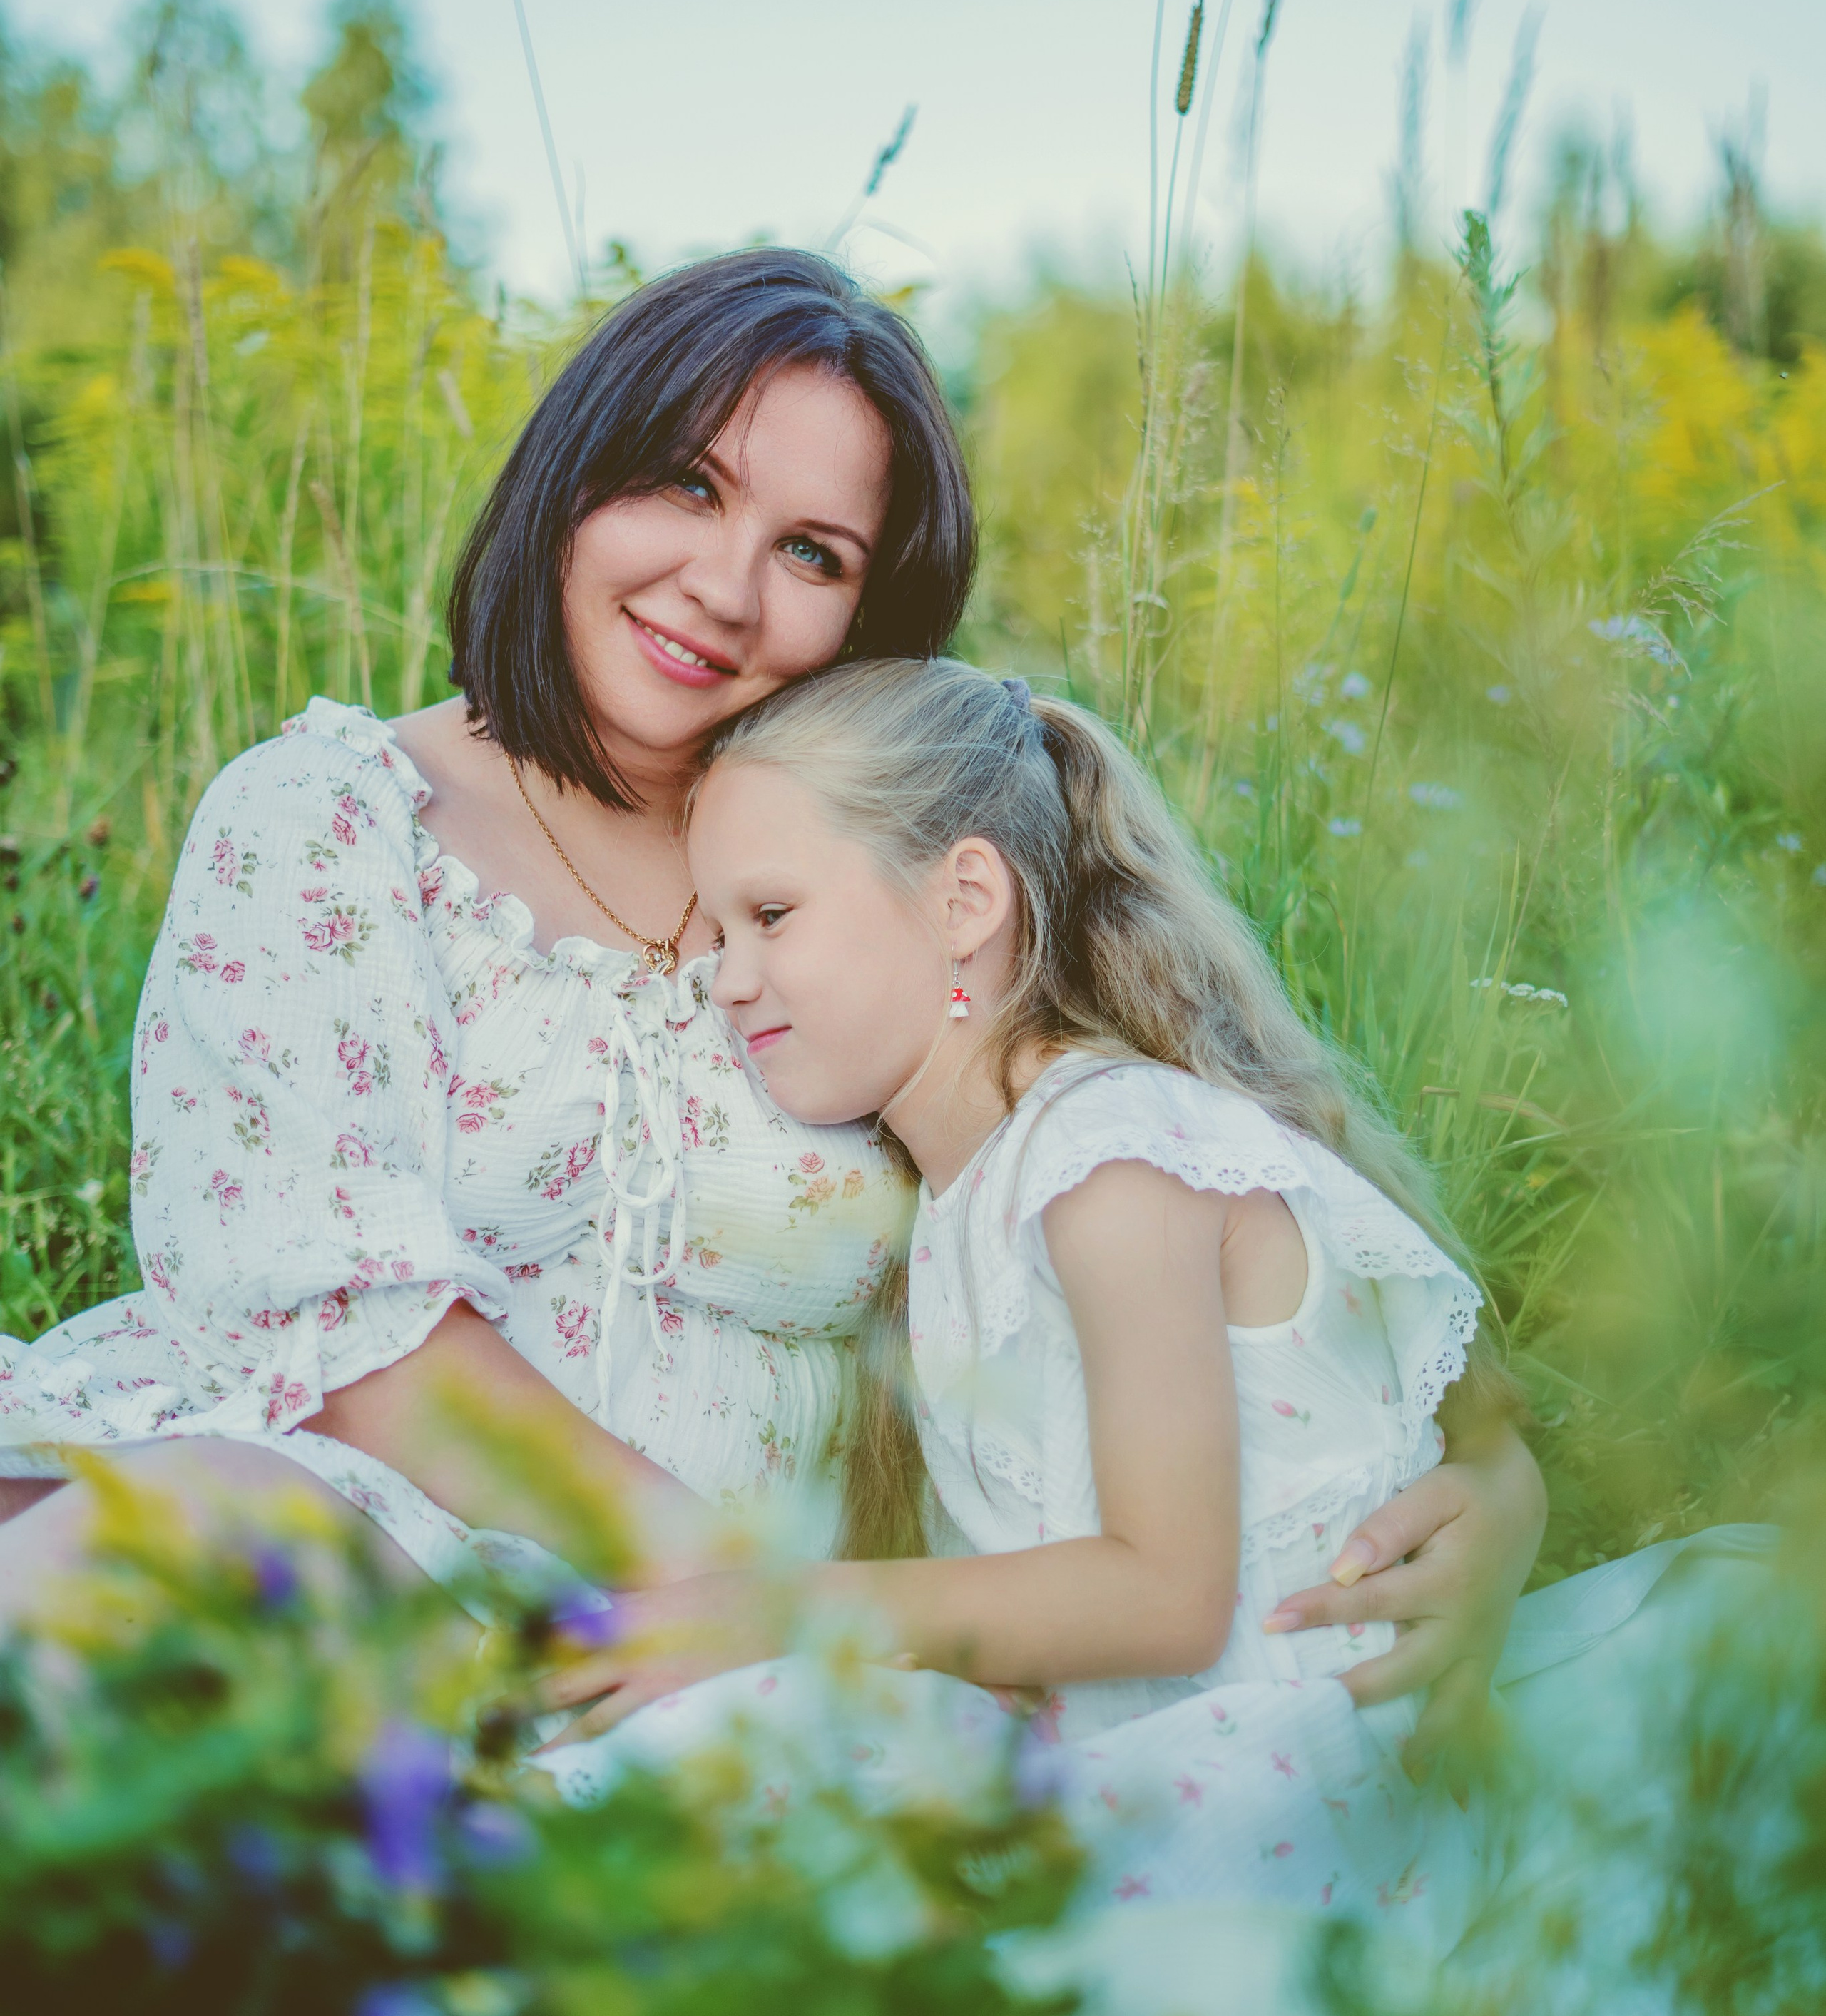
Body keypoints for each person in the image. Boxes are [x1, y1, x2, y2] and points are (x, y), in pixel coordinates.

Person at [0, 255, 1542, 1775]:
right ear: (571, 476)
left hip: (753, 1655)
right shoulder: (330, 822)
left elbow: (1220, 1175)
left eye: (812, 552)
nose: (723, 590)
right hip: (371, 1523)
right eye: (682, 484)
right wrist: (734, 1604)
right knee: (174, 1573)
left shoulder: (876, 857)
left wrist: (1489, 1490)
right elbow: (346, 1342)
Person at [529, 658, 1760, 1959]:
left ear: (963, 900)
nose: (724, 978)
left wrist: (776, 1611)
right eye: (714, 934)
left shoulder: (1107, 1158)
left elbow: (1171, 1593)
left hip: (1284, 1789)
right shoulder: (977, 1191)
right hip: (1160, 1759)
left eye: (770, 915)